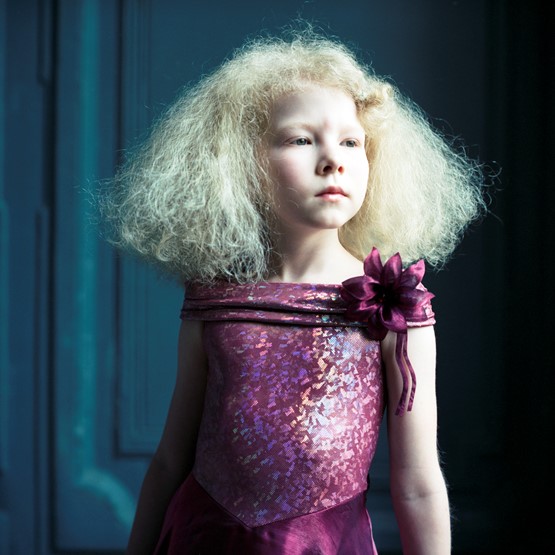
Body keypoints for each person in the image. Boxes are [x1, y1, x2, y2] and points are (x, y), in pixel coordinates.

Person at [104, 28, 485, 555]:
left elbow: (417, 483)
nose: (332, 160)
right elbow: (172, 459)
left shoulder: (394, 305)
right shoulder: (215, 300)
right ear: (244, 163)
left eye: (351, 142)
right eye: (301, 140)